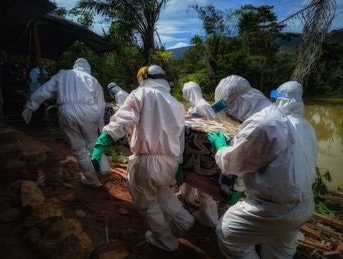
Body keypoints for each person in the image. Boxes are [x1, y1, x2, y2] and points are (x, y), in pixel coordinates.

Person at [207, 75, 317, 258]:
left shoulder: (262, 123)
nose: (229, 114)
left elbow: (232, 164)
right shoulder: (298, 122)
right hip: (304, 203)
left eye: (225, 107)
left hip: (275, 209)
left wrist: (221, 147)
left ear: (236, 103)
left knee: (228, 233)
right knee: (280, 250)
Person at [91, 65, 194, 251]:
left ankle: (164, 240)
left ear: (144, 78)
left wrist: (101, 142)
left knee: (146, 203)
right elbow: (180, 138)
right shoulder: (177, 104)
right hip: (169, 163)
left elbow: (122, 120)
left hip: (146, 162)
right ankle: (183, 220)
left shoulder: (141, 94)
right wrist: (178, 165)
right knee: (162, 191)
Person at [21, 58, 109, 187]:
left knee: (79, 148)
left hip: (66, 111)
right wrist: (101, 127)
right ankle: (104, 168)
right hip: (90, 111)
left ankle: (92, 180)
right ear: (88, 69)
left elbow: (45, 90)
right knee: (93, 143)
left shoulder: (62, 75)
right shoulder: (93, 80)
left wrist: (30, 106)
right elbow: (101, 106)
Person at [181, 81, 218, 227]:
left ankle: (209, 219)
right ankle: (188, 199)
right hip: (193, 149)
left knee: (204, 186)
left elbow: (212, 125)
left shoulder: (202, 105)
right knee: (190, 177)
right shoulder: (193, 105)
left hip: (204, 151)